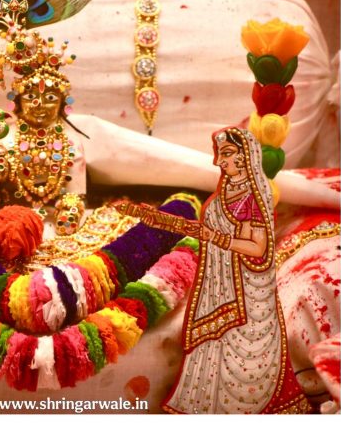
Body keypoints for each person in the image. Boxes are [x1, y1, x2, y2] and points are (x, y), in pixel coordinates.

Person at [122, 127, 311, 414]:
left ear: (244, 157)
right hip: (216, 283)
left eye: (225, 154)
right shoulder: (227, 192)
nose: (217, 161)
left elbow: (257, 247)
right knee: (211, 352)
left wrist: (218, 239)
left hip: (242, 292)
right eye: (219, 154)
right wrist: (157, 219)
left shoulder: (250, 199)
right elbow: (207, 232)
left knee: (239, 358)